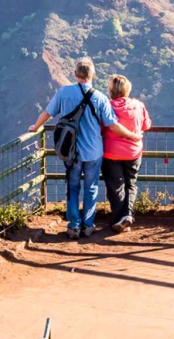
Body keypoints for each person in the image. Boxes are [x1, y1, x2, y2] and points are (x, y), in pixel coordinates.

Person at [30, 58, 140, 238]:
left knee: (72, 187)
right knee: (91, 188)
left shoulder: (63, 92)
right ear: (93, 75)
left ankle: (74, 226)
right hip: (93, 151)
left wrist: (35, 127)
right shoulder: (101, 98)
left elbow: (48, 113)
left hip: (71, 151)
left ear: (75, 74)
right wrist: (133, 136)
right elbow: (113, 125)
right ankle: (88, 225)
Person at [101, 74, 150, 232]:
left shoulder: (107, 106)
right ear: (127, 89)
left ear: (111, 90)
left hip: (111, 153)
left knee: (115, 187)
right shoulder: (139, 105)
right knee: (131, 184)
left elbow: (101, 127)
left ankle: (118, 220)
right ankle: (127, 215)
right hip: (133, 152)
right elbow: (146, 125)